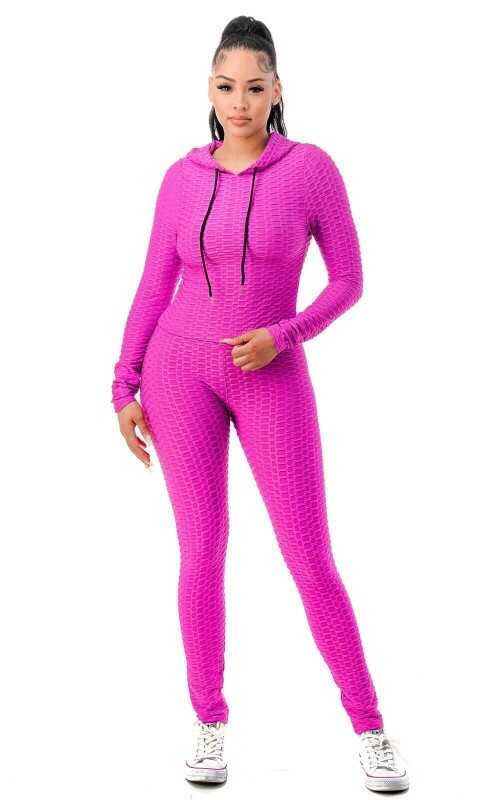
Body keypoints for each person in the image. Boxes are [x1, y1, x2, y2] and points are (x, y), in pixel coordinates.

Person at [111, 15, 409, 793]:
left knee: (309, 558)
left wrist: (283, 335)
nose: (238, 102)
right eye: (225, 86)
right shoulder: (180, 178)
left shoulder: (309, 170)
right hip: (177, 372)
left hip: (269, 374)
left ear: (277, 90)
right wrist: (123, 383)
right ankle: (207, 722)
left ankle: (370, 727)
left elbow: (348, 280)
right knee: (200, 553)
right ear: (209, 91)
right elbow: (152, 285)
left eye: (252, 86)